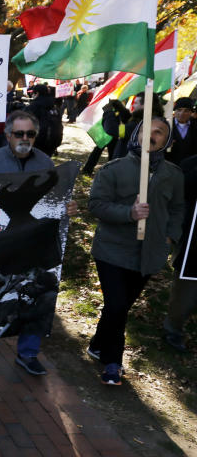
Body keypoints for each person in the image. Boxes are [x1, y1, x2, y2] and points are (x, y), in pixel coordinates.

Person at [0, 110, 79, 374]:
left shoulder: (46, 163)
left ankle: (28, 352)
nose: (25, 138)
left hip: (34, 241)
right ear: (8, 135)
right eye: (19, 133)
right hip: (0, 240)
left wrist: (66, 207)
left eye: (30, 134)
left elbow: (54, 201)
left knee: (40, 292)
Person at [87, 117, 183, 386]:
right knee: (117, 305)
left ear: (168, 140)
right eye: (147, 131)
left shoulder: (173, 175)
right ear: (136, 135)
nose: (152, 136)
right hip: (112, 250)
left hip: (149, 253)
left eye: (159, 132)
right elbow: (95, 205)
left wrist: (170, 236)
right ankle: (113, 362)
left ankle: (97, 344)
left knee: (119, 307)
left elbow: (177, 208)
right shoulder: (113, 169)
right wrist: (128, 213)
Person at [164, 152, 197, 351]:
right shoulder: (190, 164)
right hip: (194, 240)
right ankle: (173, 329)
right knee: (186, 291)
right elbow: (183, 191)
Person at [25, 84, 64, 156]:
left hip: (38, 143)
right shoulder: (54, 107)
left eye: (33, 93)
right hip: (54, 142)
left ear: (37, 93)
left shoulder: (33, 107)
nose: (32, 95)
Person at [166, 98, 197, 165]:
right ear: (175, 111)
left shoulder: (195, 125)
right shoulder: (166, 126)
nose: (182, 113)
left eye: (186, 110)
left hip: (192, 167)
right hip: (171, 166)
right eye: (179, 110)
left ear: (191, 112)